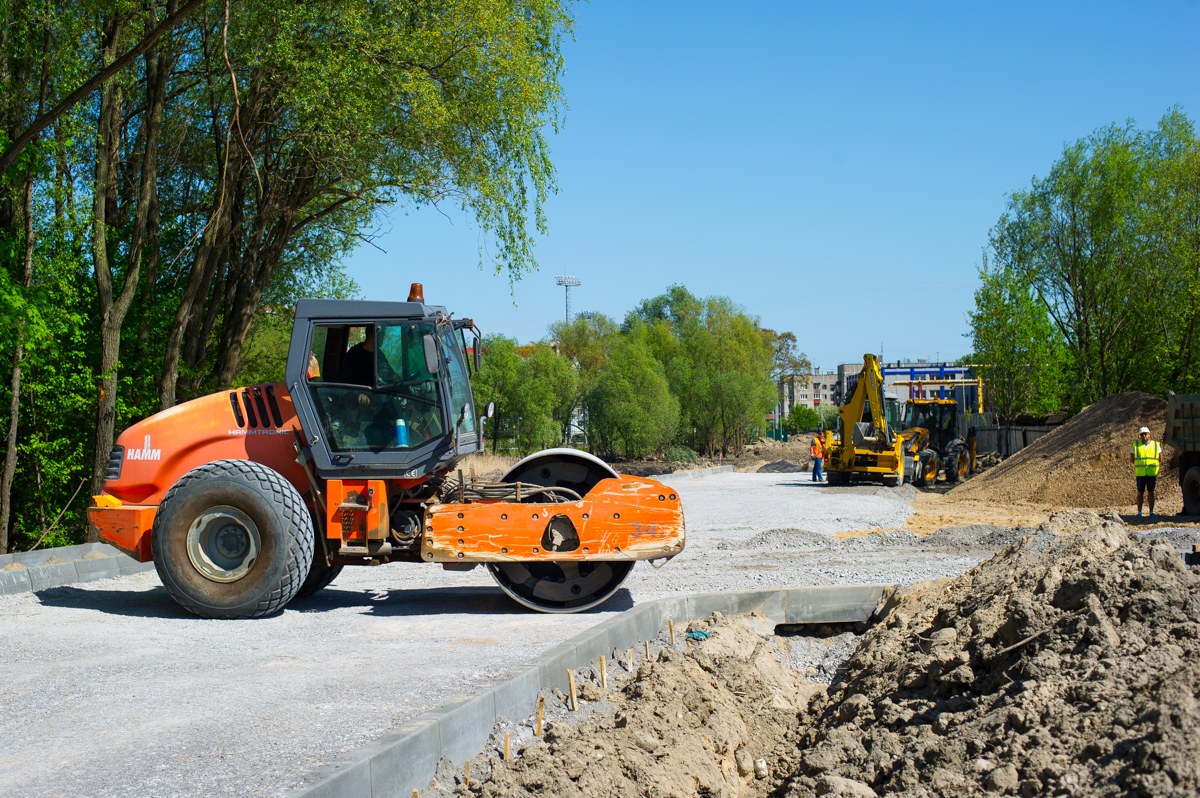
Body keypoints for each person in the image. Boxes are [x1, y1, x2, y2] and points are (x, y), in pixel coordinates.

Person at [1129, 425, 1162, 517]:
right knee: (1140, 492)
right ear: (1140, 436)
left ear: (1149, 435)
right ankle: (1139, 512)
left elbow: (1160, 458)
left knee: (1151, 491)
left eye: (1146, 434)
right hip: (1141, 473)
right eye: (1142, 434)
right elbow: (1132, 459)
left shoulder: (1156, 445)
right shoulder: (1135, 446)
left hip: (1152, 472)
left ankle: (1151, 512)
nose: (1144, 436)